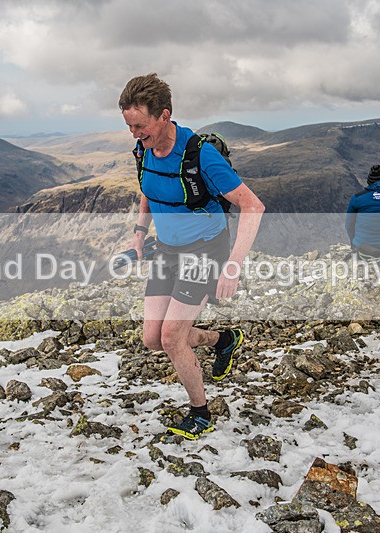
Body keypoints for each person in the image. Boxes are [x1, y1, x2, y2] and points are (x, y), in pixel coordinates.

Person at [118, 73, 265, 440]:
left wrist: (232, 264)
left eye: (140, 125)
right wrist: (139, 235)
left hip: (204, 249)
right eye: (129, 126)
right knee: (152, 337)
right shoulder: (143, 149)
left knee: (171, 337)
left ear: (164, 115)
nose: (135, 133)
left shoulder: (201, 154)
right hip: (168, 250)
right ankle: (223, 340)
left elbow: (253, 206)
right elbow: (148, 189)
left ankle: (200, 414)